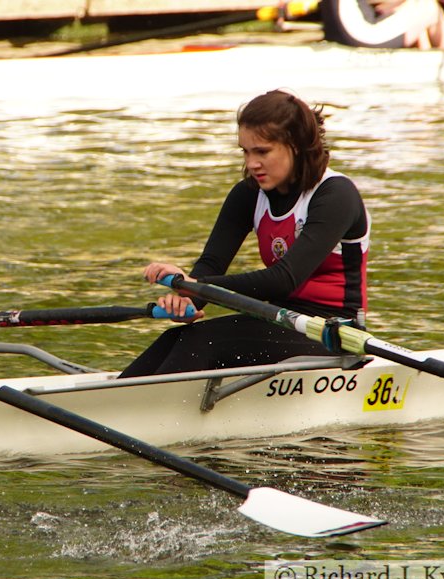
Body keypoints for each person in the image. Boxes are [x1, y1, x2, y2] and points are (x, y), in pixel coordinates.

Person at [119, 89, 370, 379]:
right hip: (279, 321)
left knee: (202, 342)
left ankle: (140, 416)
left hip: (333, 333)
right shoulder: (249, 194)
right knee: (173, 339)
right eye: (245, 151)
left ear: (296, 146)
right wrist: (187, 298)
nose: (251, 164)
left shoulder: (336, 195)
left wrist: (195, 285)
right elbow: (211, 264)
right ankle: (113, 406)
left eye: (262, 151)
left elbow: (283, 279)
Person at [321, 0, 444, 49]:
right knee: (429, 6)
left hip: (339, 29)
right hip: (361, 32)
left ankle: (425, 53)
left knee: (413, 7)